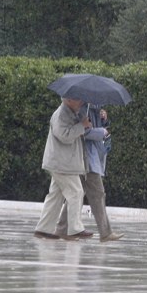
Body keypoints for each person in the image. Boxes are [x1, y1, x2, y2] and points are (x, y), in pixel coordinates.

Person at [56, 105, 124, 243]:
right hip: (87, 158)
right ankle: (105, 232)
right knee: (97, 194)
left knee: (77, 193)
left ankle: (62, 229)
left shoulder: (94, 110)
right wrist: (102, 131)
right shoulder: (83, 109)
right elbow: (84, 132)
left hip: (91, 157)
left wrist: (104, 120)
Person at [34, 97, 93, 241]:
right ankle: (75, 229)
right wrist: (82, 126)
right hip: (61, 163)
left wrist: (84, 124)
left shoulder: (71, 113)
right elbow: (63, 136)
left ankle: (43, 229)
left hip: (62, 162)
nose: (81, 102)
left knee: (55, 195)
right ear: (68, 100)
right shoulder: (61, 114)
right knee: (76, 192)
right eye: (78, 99)